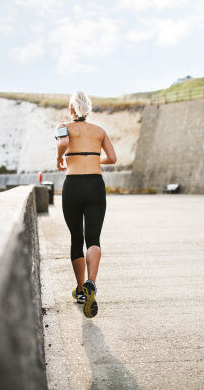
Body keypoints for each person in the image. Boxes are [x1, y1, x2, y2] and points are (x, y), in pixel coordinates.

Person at [55, 91, 117, 318]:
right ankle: (91, 282)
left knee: (75, 239)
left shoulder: (63, 126)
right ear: (88, 110)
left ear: (71, 110)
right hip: (95, 185)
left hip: (72, 187)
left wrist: (60, 158)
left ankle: (81, 291)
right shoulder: (100, 131)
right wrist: (92, 157)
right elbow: (112, 158)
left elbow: (63, 142)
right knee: (93, 239)